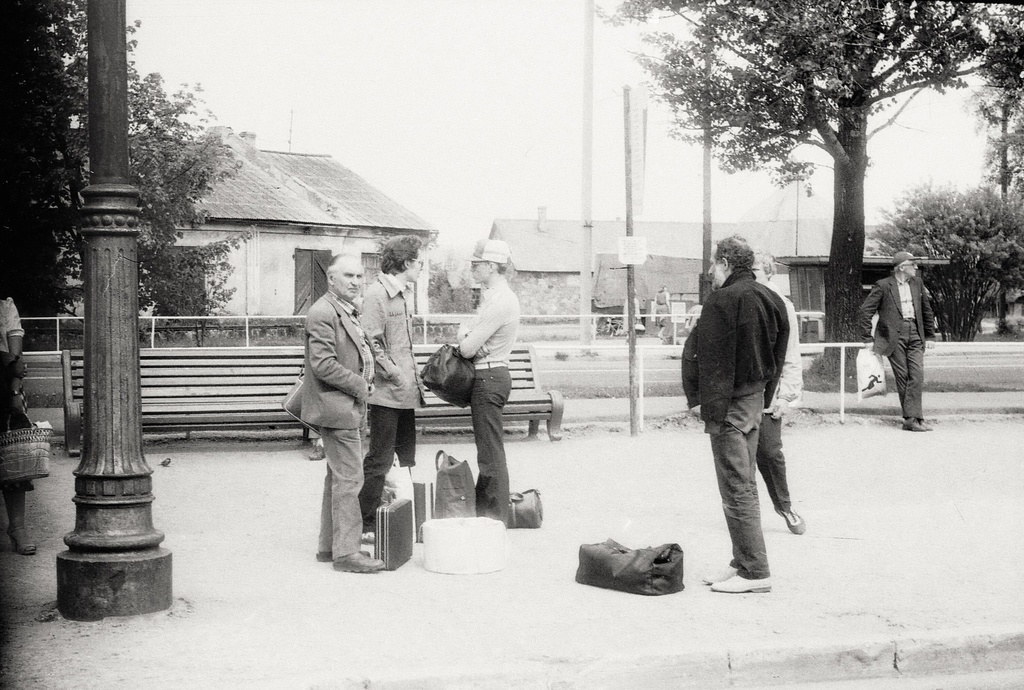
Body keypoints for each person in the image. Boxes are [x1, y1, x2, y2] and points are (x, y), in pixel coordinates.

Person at [681, 236, 789, 594]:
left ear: (725, 263)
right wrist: (766, 396)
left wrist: (704, 405)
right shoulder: (771, 297)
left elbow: (711, 359)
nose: (711, 272)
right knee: (745, 485)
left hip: (729, 406)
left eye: (714, 264)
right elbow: (780, 350)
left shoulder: (722, 300)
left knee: (736, 487)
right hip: (756, 401)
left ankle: (755, 572)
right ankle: (743, 560)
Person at [301, 254, 385, 573]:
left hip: (343, 405)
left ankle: (330, 546)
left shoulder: (342, 309)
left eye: (360, 276)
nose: (355, 281)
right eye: (348, 275)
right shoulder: (323, 311)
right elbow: (322, 365)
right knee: (350, 478)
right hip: (337, 406)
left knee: (337, 477)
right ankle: (347, 553)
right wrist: (361, 385)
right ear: (331, 279)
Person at [357, 236, 426, 543]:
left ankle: (402, 519)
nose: (421, 267)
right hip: (387, 394)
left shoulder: (402, 293)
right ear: (406, 262)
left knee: (406, 457)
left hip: (406, 393)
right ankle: (365, 523)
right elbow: (372, 342)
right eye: (419, 262)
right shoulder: (377, 294)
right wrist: (395, 374)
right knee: (380, 459)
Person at [457, 239, 520, 525]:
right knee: (488, 449)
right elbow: (471, 340)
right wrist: (468, 337)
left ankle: (495, 519)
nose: (473, 268)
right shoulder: (492, 296)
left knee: (491, 452)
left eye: (477, 264)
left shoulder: (501, 301)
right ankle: (487, 514)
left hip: (489, 375)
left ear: (492, 266)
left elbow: (468, 349)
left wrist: (464, 338)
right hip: (490, 374)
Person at [751, 252, 806, 535]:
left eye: (757, 270)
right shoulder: (739, 301)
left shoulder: (782, 306)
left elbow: (791, 355)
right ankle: (746, 520)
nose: (752, 275)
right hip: (740, 395)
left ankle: (785, 506)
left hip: (768, 395)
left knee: (770, 453)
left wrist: (786, 396)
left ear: (769, 273)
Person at [857, 251, 937, 432]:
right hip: (893, 336)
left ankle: (912, 418)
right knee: (903, 376)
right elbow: (865, 311)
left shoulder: (917, 283)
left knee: (917, 375)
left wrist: (930, 335)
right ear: (902, 267)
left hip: (915, 332)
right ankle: (913, 419)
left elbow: (927, 310)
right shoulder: (883, 286)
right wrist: (867, 338)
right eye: (913, 264)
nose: (916, 268)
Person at [1, 297, 37, 555]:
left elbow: (15, 354)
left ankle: (18, 527)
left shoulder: (5, 305)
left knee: (13, 459)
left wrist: (15, 388)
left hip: (2, 383)